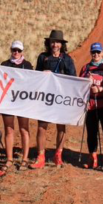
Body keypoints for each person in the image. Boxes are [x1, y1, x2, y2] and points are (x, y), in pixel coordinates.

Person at [31, 29, 77, 169]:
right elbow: (36, 77)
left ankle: (58, 155)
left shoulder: (67, 59)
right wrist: (43, 74)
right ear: (49, 43)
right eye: (53, 42)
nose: (55, 44)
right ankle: (41, 157)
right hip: (45, 97)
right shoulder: (42, 57)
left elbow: (73, 78)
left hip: (61, 98)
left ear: (62, 44)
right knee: (41, 127)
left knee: (61, 126)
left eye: (57, 42)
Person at [79, 42, 103, 169]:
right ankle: (92, 158)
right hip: (91, 106)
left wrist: (101, 89)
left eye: (98, 52)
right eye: (93, 52)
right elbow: (80, 86)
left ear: (102, 52)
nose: (96, 54)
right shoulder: (85, 68)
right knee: (91, 132)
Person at [0, 40, 34, 169]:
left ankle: (24, 159)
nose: (16, 53)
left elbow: (33, 82)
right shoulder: (4, 65)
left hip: (23, 102)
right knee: (9, 129)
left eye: (19, 50)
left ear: (22, 51)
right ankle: (9, 159)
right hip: (8, 102)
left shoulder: (28, 65)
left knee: (24, 129)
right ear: (11, 50)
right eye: (14, 50)